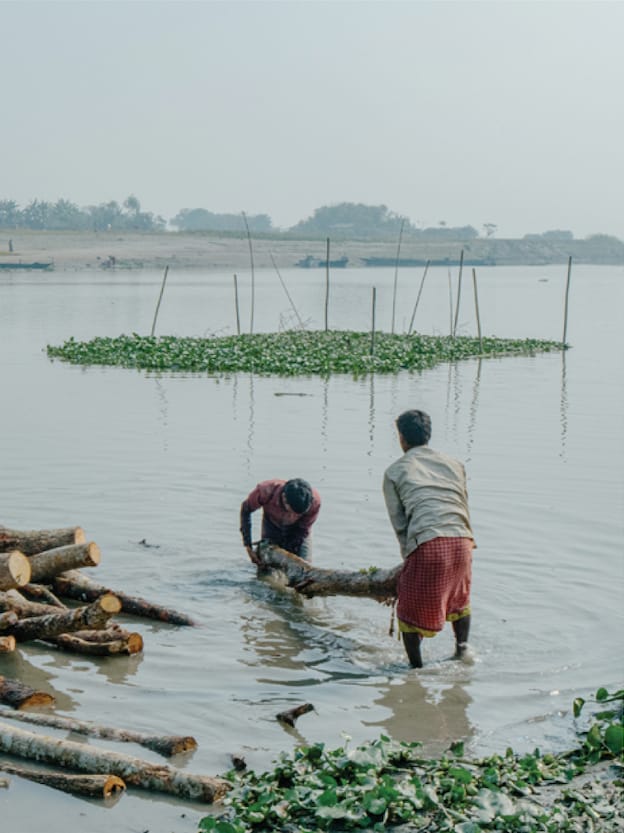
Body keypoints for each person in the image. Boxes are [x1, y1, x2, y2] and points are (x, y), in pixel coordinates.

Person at [383, 409, 475, 668]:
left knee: (408, 608)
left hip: (428, 543)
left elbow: (400, 524)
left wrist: (410, 560)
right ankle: (462, 652)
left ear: (401, 437)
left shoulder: (394, 471)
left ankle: (416, 669)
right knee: (460, 598)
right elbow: (461, 504)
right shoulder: (454, 463)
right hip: (462, 540)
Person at [240, 478, 321, 563]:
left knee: (303, 567)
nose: (292, 516)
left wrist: (291, 551)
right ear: (284, 498)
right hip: (272, 526)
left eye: (299, 514)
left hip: (299, 531)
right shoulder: (266, 491)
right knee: (267, 565)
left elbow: (303, 530)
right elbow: (246, 510)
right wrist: (248, 546)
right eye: (292, 511)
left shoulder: (315, 502)